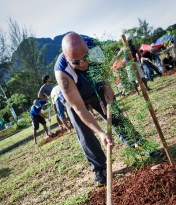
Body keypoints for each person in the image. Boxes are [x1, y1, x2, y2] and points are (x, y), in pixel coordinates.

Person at [54, 32, 160, 187]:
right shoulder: (62, 73)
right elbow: (80, 108)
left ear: (87, 48)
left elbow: (103, 69)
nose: (83, 64)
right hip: (77, 97)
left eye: (85, 57)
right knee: (83, 131)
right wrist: (101, 132)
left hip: (97, 87)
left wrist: (107, 86)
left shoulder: (94, 46)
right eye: (76, 62)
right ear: (66, 57)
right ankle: (99, 168)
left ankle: (141, 146)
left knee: (117, 117)